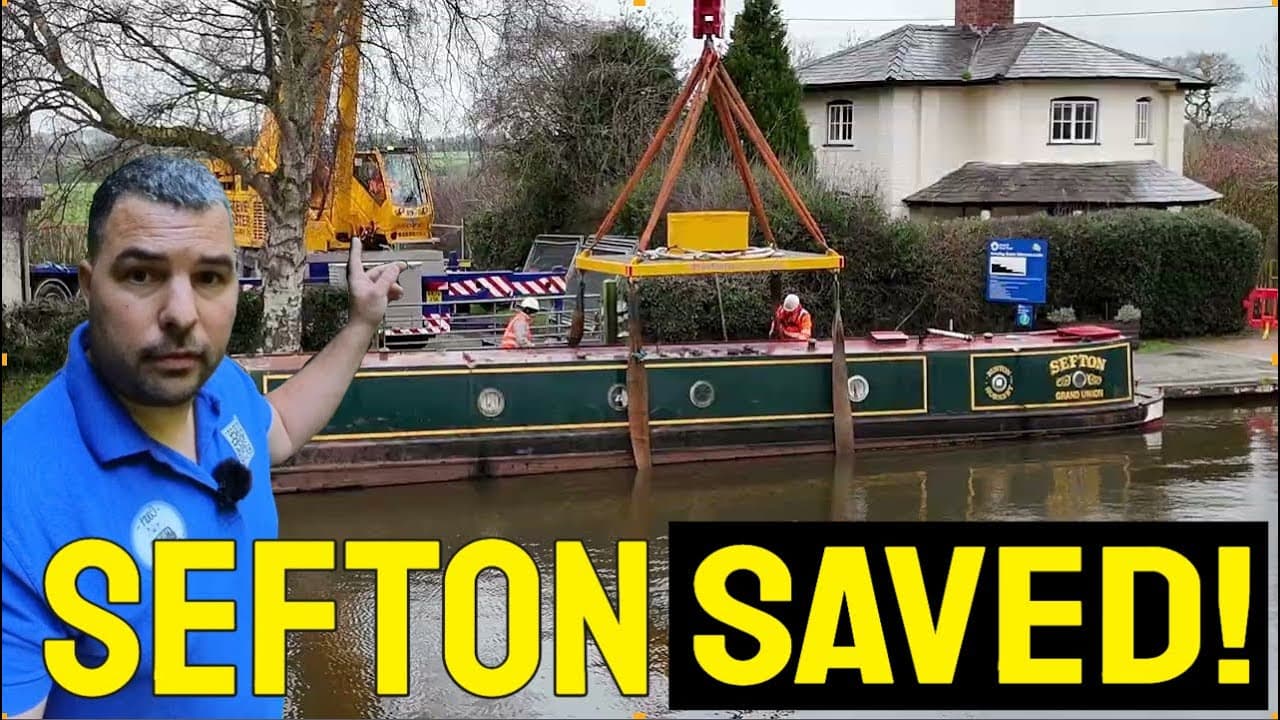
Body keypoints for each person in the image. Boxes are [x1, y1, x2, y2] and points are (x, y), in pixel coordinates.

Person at [1, 155, 406, 719]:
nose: (181, 314)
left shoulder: (222, 386)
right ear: (89, 286)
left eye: (210, 278)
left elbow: (281, 427)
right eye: (142, 274)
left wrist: (362, 322)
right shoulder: (17, 501)